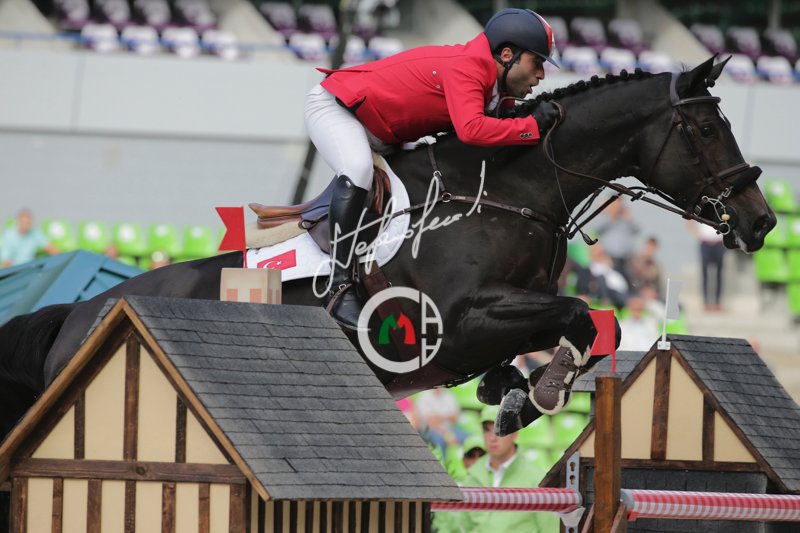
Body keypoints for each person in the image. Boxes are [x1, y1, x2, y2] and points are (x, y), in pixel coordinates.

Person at [305, 8, 562, 328]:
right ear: (507, 55)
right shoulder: (469, 67)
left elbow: (500, 130)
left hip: (383, 133)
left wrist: (531, 122)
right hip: (337, 110)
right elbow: (471, 130)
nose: (541, 75)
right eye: (536, 63)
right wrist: (531, 127)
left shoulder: (497, 88)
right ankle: (338, 287)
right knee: (358, 171)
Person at [447, 406, 558, 532]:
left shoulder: (537, 479)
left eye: (500, 428)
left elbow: (550, 529)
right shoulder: (472, 476)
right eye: (487, 430)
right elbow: (464, 527)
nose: (492, 438)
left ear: (515, 433)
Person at [593, 198, 640, 283]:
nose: (617, 207)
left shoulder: (624, 219)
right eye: (615, 204)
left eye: (619, 205)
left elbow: (636, 230)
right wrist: (611, 216)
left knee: (624, 282)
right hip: (608, 257)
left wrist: (629, 218)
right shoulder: (604, 217)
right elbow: (596, 229)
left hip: (624, 259)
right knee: (608, 282)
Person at [687, 220, 727, 311]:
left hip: (719, 243)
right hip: (705, 243)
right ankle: (706, 303)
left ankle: (717, 303)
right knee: (704, 274)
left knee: (719, 274)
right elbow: (689, 220)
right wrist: (698, 234)